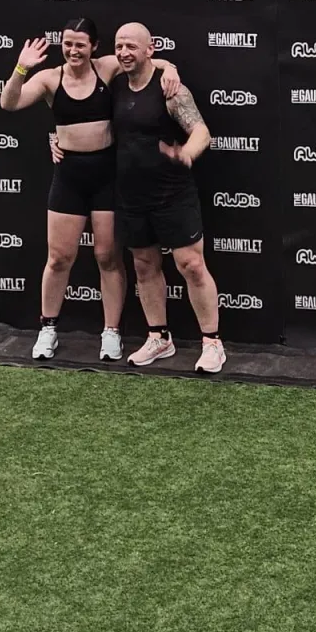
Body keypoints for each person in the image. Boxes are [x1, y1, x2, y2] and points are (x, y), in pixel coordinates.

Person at [0, 18, 181, 363]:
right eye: (68, 43)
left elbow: (149, 61)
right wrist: (21, 68)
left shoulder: (107, 67)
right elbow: (9, 103)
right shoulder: (50, 78)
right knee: (59, 258)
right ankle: (48, 328)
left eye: (80, 44)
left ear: (93, 47)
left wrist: (170, 68)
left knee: (107, 257)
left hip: (107, 176)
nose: (73, 50)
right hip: (69, 178)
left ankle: (111, 331)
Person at [110, 22, 225, 375]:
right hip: (131, 195)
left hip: (173, 194)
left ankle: (212, 343)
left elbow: (201, 131)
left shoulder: (170, 88)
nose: (124, 52)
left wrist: (187, 153)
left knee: (191, 265)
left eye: (131, 46)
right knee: (144, 266)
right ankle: (159, 338)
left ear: (150, 48)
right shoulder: (114, 84)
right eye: (119, 46)